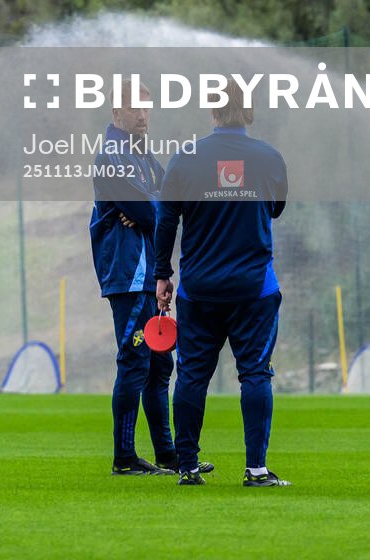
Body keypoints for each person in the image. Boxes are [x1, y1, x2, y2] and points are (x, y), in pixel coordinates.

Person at [153, 99, 290, 488]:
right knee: (255, 374)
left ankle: (187, 467)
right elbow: (276, 209)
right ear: (249, 113)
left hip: (199, 290)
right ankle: (256, 470)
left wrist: (162, 274)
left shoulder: (185, 158)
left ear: (213, 113)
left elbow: (166, 220)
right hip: (254, 289)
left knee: (192, 376)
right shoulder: (269, 157)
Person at [89, 98, 204, 476]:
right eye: (133, 107)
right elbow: (149, 211)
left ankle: (167, 454)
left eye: (146, 107)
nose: (142, 115)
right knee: (136, 360)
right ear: (116, 114)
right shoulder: (112, 155)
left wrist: (151, 204)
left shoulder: (142, 155)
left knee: (159, 364)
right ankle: (124, 458)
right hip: (130, 273)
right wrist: (150, 206)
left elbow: (170, 207)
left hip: (148, 274)